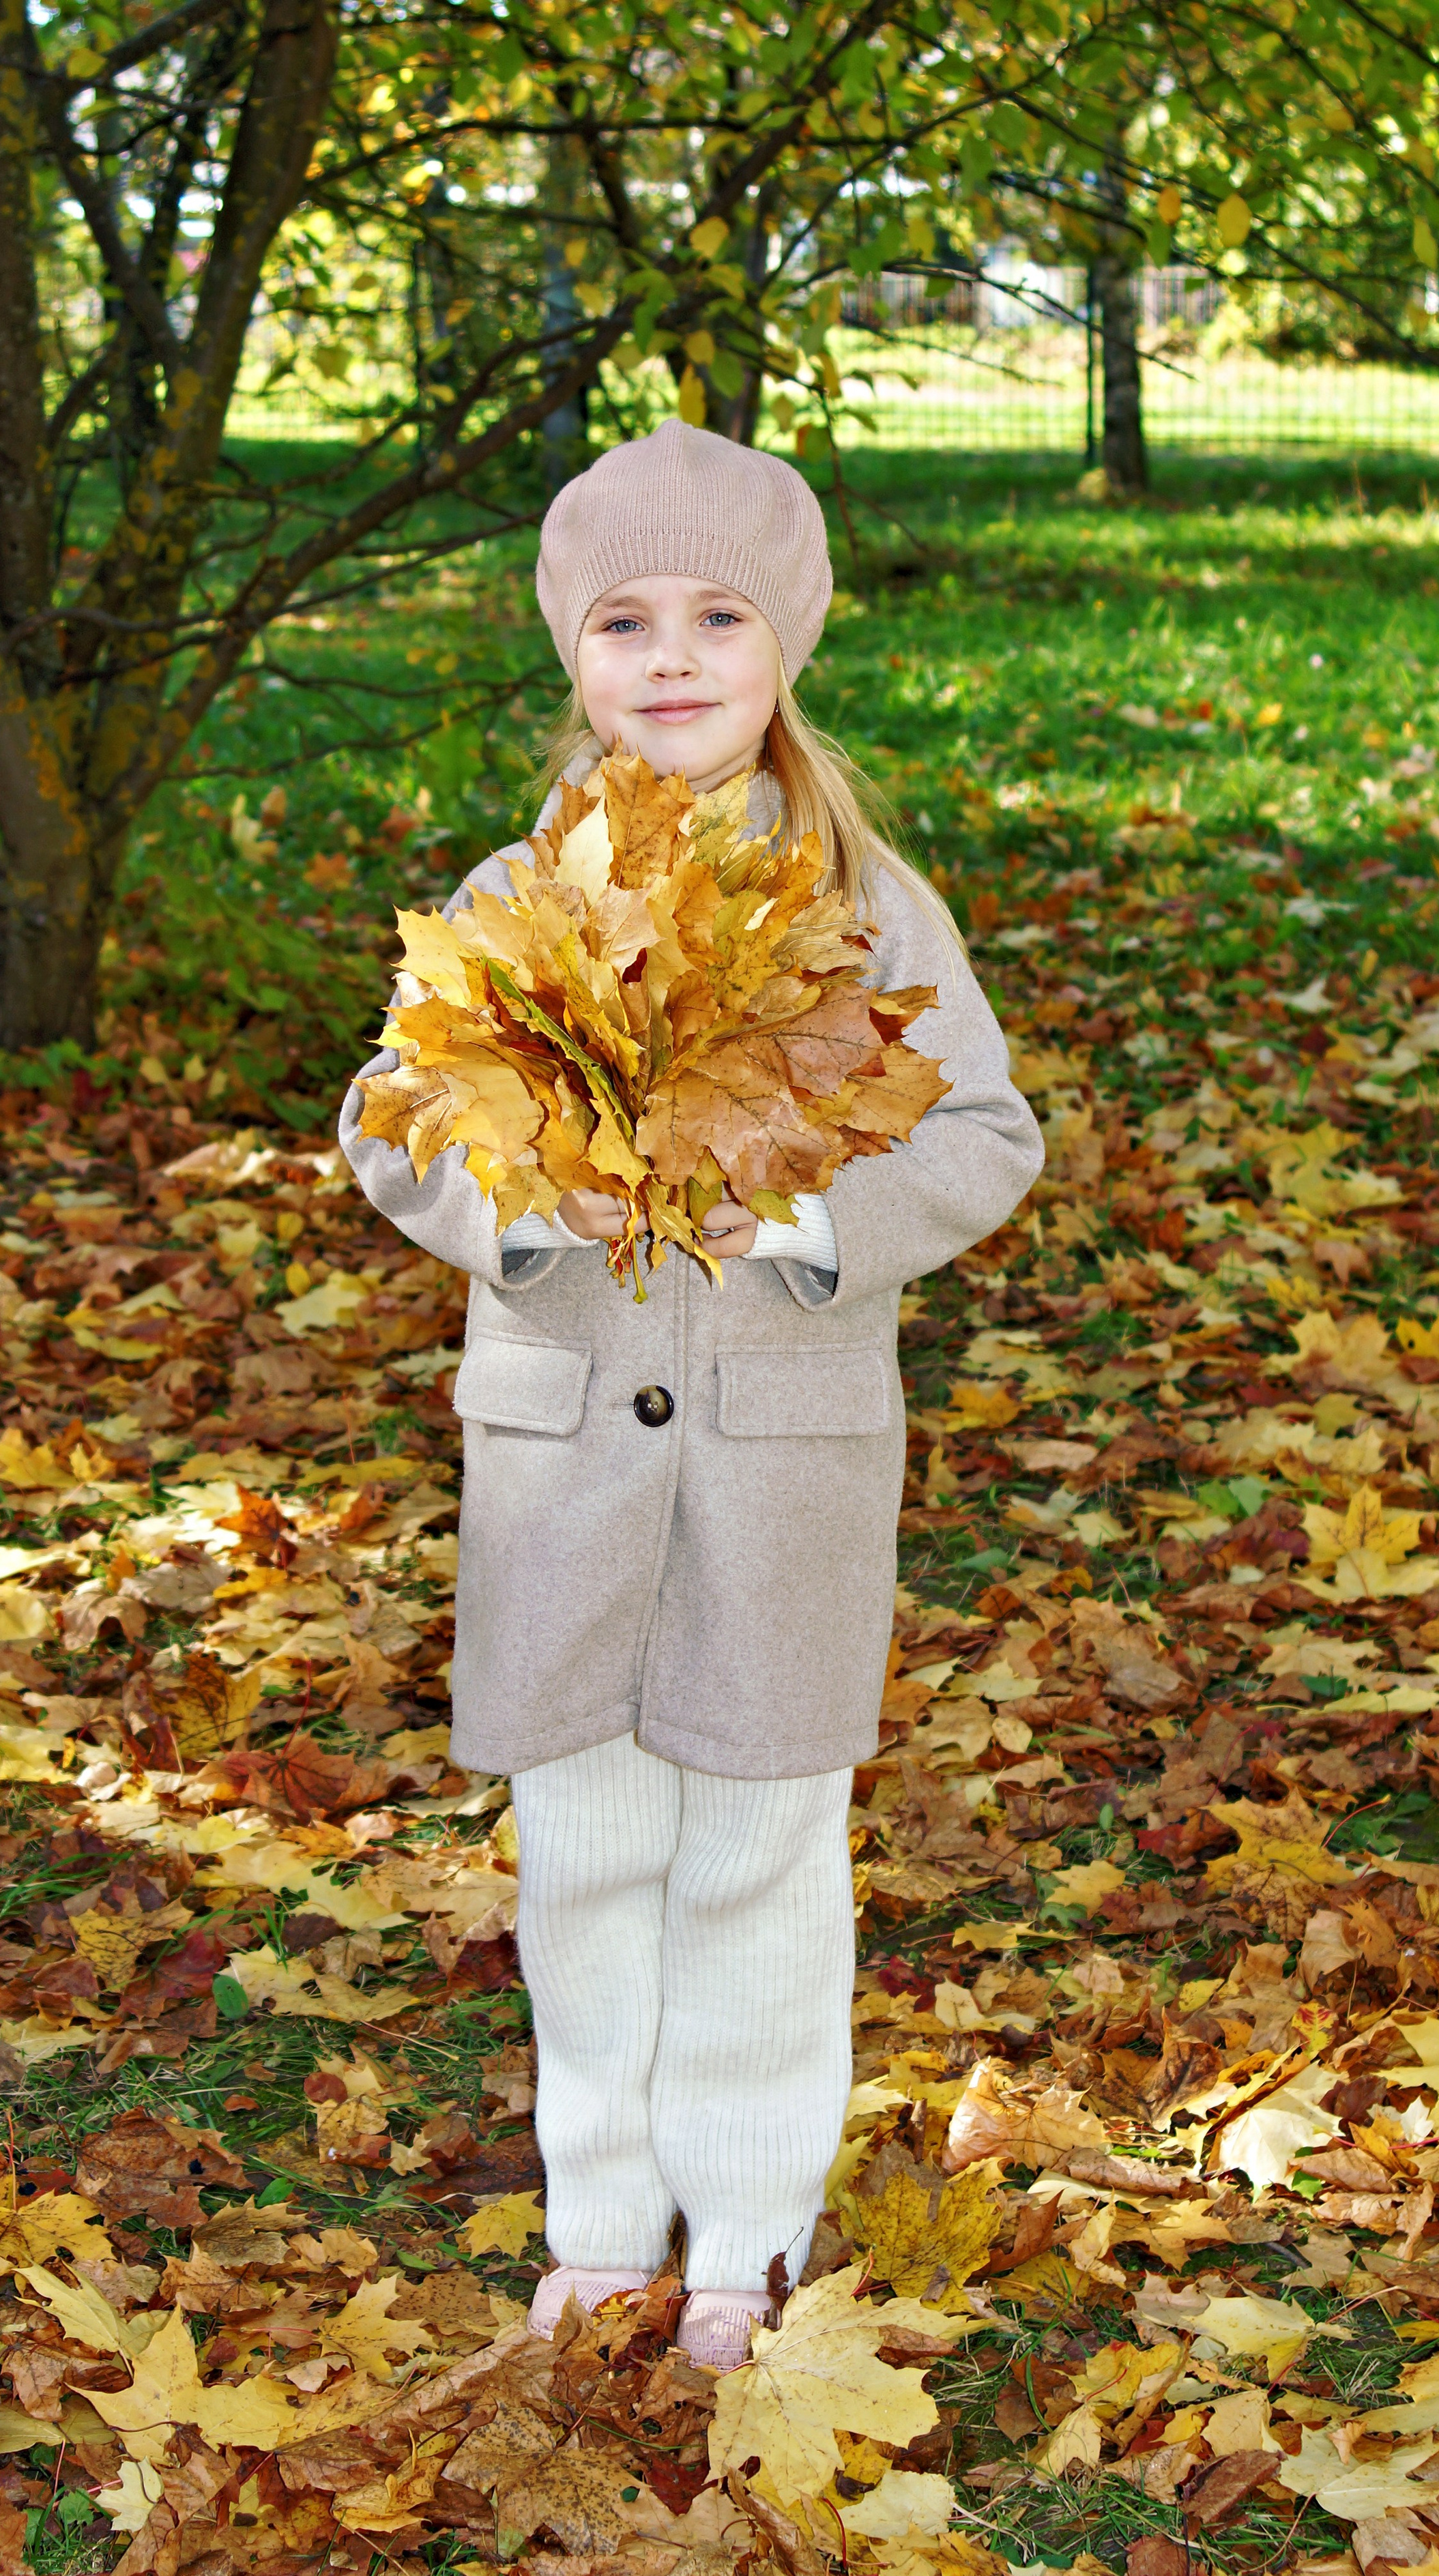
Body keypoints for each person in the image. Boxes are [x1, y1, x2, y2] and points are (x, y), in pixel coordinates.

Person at [338, 420, 1043, 2371]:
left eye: (718, 616)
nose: (670, 657)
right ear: (571, 649)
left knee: (755, 1852)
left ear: (786, 638)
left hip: (779, 1469)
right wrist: (523, 1203)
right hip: (562, 1464)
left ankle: (742, 2229)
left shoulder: (867, 904)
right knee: (585, 1849)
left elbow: (985, 1137)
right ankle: (598, 2216)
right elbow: (391, 1116)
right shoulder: (513, 890)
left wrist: (811, 1217)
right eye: (624, 620)